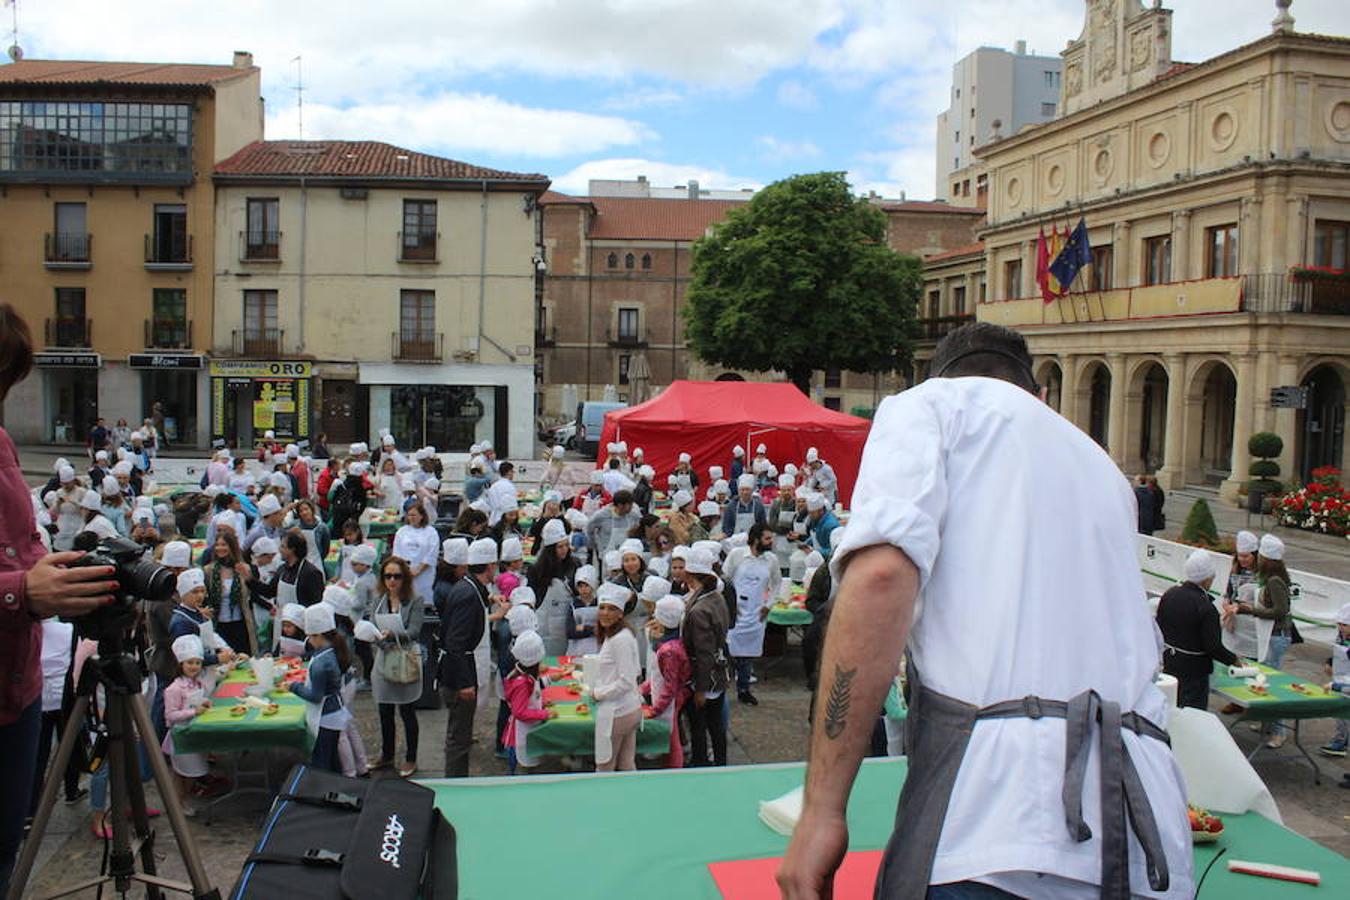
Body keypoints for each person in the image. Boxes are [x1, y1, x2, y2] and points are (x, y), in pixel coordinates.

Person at [777, 322, 1192, 900]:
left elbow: (879, 578)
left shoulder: (929, 407)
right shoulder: (1103, 467)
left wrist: (822, 811)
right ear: (1037, 395)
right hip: (1148, 842)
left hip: (998, 824)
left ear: (939, 378)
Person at [439, 537, 495, 777]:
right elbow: (455, 643)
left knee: (461, 733)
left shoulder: (469, 587)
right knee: (459, 738)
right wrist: (464, 682)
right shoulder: (468, 594)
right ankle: (456, 783)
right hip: (459, 674)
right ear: (490, 566)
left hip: (462, 668)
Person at [1156, 550, 1239, 710]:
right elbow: (1213, 646)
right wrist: (1233, 660)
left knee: (1172, 707)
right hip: (1194, 671)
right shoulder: (1205, 607)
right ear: (1207, 579)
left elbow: (1159, 626)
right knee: (1192, 712)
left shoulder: (1170, 594)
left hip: (1171, 662)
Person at [1234, 534, 1295, 748]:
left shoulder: (1275, 581)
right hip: (1271, 635)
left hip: (1276, 636)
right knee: (1263, 678)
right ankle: (1267, 723)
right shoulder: (1271, 579)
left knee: (1270, 683)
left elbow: (1280, 610)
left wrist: (1253, 610)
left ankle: (1279, 730)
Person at [369, 556, 424, 777]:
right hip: (384, 658)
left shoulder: (415, 599)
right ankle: (387, 754)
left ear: (405, 578)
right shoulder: (379, 599)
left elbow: (415, 631)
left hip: (405, 657)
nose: (392, 580)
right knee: (384, 710)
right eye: (388, 576)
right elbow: (372, 624)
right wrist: (378, 638)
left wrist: (394, 633)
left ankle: (411, 757)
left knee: (407, 711)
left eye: (397, 576)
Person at [681, 546, 730, 767]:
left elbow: (704, 653)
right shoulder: (716, 597)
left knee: (700, 725)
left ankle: (701, 763)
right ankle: (721, 762)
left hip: (705, 677)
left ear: (691, 576)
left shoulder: (699, 610)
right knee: (717, 725)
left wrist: (701, 688)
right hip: (718, 672)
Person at [30, 617, 84, 816]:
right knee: (69, 746)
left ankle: (31, 804)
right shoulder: (69, 629)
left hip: (38, 697)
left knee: (38, 754)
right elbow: (78, 660)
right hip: (65, 697)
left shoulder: (30, 630)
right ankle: (71, 789)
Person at [289, 603, 352, 773]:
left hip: (325, 718)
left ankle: (323, 794)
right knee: (332, 760)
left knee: (322, 763)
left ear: (317, 636)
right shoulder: (331, 652)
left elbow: (315, 696)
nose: (308, 640)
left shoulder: (321, 664)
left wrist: (293, 686)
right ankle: (337, 792)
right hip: (335, 714)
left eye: (309, 636)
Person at [725, 523, 781, 705]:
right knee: (728, 651)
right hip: (735, 613)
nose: (771, 542)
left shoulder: (771, 559)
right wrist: (730, 605)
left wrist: (769, 604)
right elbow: (724, 581)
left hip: (757, 613)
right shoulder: (737, 555)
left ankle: (744, 689)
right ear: (756, 539)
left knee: (747, 654)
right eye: (767, 538)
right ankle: (721, 689)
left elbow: (777, 584)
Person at [589, 582, 643, 772]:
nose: (604, 613)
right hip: (628, 709)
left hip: (617, 712)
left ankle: (604, 800)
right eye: (602, 608)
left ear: (620, 613)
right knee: (627, 763)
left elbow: (627, 680)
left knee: (604, 766)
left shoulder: (620, 639)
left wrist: (598, 693)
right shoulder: (619, 634)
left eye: (611, 609)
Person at [160, 635, 213, 817]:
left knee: (190, 773)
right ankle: (179, 803)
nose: (194, 667)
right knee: (184, 773)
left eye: (198, 663)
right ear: (181, 664)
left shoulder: (196, 683)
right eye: (190, 662)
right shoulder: (174, 688)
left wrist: (203, 703)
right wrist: (193, 712)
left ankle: (183, 799)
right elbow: (170, 715)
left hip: (193, 734)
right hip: (180, 737)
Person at [643, 594, 691, 768]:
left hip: (669, 701)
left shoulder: (669, 651)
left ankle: (675, 770)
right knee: (671, 735)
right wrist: (643, 688)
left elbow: (670, 685)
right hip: (665, 696)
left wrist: (656, 710)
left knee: (672, 737)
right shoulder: (670, 643)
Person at [502, 630, 555, 775]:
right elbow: (519, 712)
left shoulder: (525, 675)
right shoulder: (522, 683)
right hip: (522, 733)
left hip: (528, 729)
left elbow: (533, 694)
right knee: (524, 768)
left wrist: (541, 703)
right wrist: (545, 713)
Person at [526, 518, 578, 655]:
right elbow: (532, 599)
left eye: (566, 545)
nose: (564, 550)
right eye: (560, 547)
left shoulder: (574, 565)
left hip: (567, 624)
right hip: (544, 624)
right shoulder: (536, 570)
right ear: (550, 548)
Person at [249, 529, 325, 621]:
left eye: (282, 546)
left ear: (292, 549)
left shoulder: (311, 573)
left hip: (301, 624)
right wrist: (249, 579)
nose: (279, 550)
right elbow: (269, 592)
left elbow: (315, 606)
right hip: (282, 622)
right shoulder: (282, 569)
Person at [204, 530, 257, 655]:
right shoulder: (209, 571)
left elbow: (254, 592)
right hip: (218, 624)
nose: (220, 548)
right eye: (217, 545)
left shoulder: (243, 569)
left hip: (240, 623)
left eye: (224, 545)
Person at [1316, 603, 1350, 758]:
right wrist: (1330, 662)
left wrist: (1336, 686)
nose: (1341, 628)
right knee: (1342, 717)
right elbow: (1337, 651)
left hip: (1345, 684)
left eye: (1345, 625)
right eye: (1339, 624)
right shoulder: (1341, 635)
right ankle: (1340, 742)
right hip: (1341, 678)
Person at [586, 489, 639, 563]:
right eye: (630, 504)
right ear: (620, 505)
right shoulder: (601, 515)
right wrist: (595, 545)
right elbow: (589, 529)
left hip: (626, 554)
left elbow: (637, 528)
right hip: (606, 555)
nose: (632, 507)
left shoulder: (633, 515)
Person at [566, 565, 600, 656]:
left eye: (587, 585)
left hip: (598, 648)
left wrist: (581, 627)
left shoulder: (600, 603)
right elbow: (570, 631)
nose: (583, 589)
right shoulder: (574, 604)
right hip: (576, 649)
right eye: (580, 586)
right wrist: (592, 630)